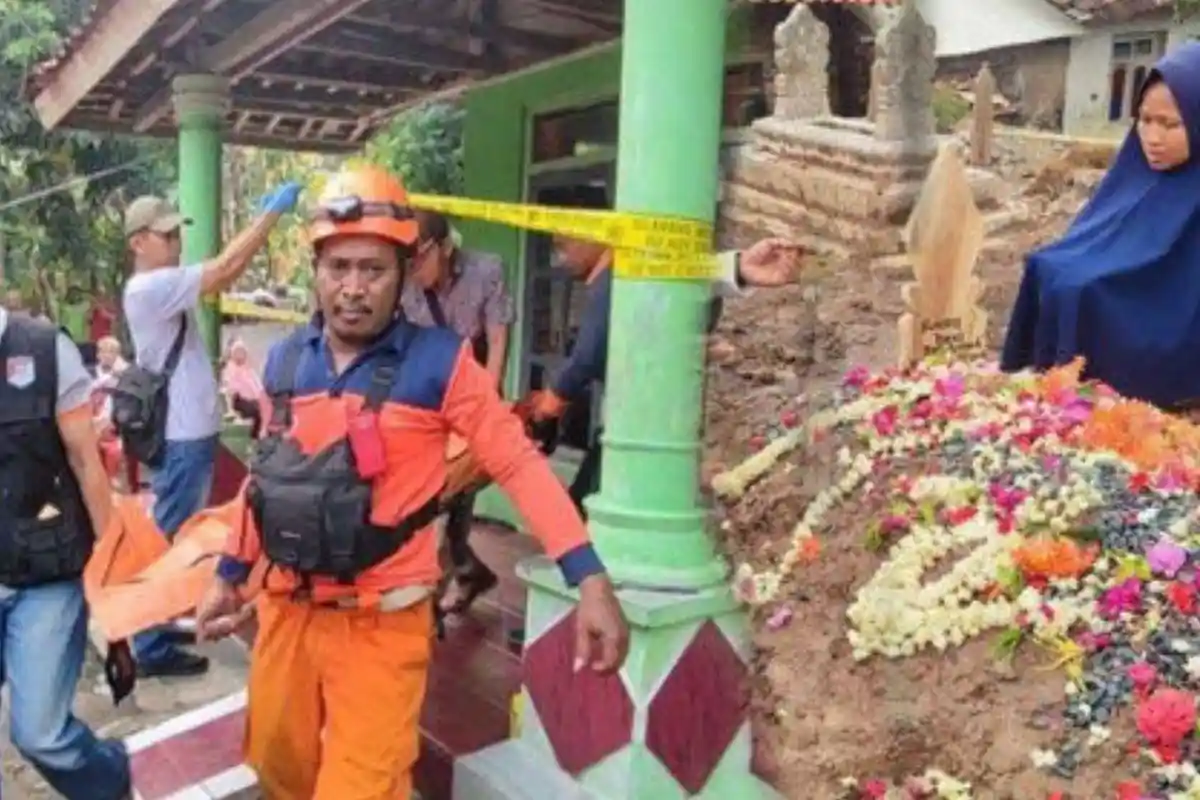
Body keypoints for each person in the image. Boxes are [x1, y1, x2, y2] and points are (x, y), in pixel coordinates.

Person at [194, 165, 628, 799]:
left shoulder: (440, 363)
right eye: (339, 267)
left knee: (361, 789)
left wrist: (588, 577)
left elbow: (517, 463)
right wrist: (229, 573)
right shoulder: (286, 360)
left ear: (403, 272)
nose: (353, 287)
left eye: (373, 269)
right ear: (316, 270)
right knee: (276, 764)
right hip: (287, 612)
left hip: (381, 625)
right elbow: (265, 479)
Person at [122, 184, 301, 678]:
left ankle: (155, 630)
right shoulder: (149, 288)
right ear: (138, 243)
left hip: (187, 435)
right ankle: (150, 644)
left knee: (174, 535)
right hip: (182, 439)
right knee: (169, 541)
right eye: (165, 235)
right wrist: (269, 217)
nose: (176, 241)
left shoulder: (160, 287)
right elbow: (225, 269)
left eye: (176, 233)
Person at [531, 218, 803, 513]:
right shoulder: (626, 278)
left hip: (645, 427)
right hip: (642, 422)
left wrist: (550, 402)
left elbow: (588, 356)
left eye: (564, 244)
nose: (560, 258)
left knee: (590, 514)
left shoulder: (619, 276)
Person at [1001, 43, 1200, 408]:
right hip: (1121, 273)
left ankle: (1084, 400)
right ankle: (1053, 388)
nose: (1153, 138)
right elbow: (1098, 229)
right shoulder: (1135, 168)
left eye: (1171, 124)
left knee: (1081, 289)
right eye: (1145, 120)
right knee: (1046, 266)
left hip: (1165, 308)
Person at [0, 303, 131, 798]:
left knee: (42, 734)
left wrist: (112, 576)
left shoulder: (42, 349)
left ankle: (111, 780)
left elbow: (86, 464)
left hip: (46, 574)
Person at [401, 209, 514, 616]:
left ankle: (434, 604)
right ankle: (466, 572)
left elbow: (498, 340)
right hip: (430, 406)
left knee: (451, 500)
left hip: (475, 400)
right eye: (407, 258)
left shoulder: (487, 271)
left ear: (445, 247)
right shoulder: (404, 286)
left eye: (420, 256)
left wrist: (487, 405)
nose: (413, 267)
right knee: (435, 501)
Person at [220, 338, 269, 439]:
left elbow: (258, 387)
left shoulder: (249, 369)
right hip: (239, 400)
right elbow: (230, 389)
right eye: (237, 352)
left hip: (253, 399)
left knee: (263, 406)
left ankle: (261, 433)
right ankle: (255, 436)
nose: (240, 355)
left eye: (242, 352)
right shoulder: (230, 369)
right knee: (256, 410)